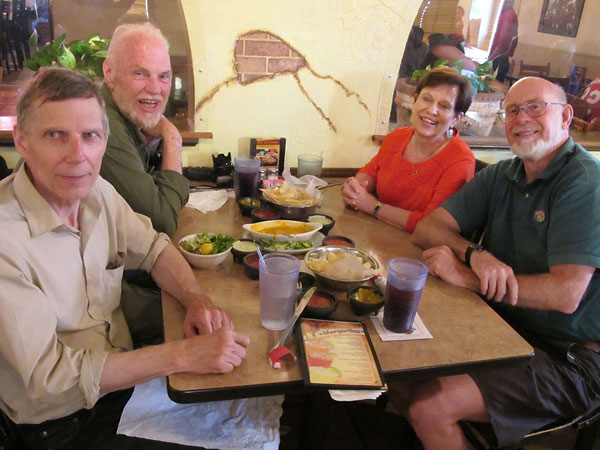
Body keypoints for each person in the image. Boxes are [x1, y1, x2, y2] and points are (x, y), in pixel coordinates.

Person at [0, 67, 249, 449]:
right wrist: (181, 355)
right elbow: (48, 382)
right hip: (60, 424)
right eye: (55, 135)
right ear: (22, 140)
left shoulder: (95, 190)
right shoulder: (5, 238)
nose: (77, 156)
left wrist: (195, 298)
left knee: (248, 405)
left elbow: (154, 248)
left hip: (121, 381)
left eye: (90, 136)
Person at [403, 77, 600, 449]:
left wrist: (468, 278)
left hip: (574, 357)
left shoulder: (584, 182)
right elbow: (430, 228)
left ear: (566, 116)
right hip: (504, 329)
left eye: (536, 107)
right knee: (400, 360)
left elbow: (565, 295)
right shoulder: (503, 174)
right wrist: (476, 254)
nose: (522, 118)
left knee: (430, 404)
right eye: (512, 110)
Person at [100, 23, 190, 346]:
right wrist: (173, 138)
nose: (155, 89)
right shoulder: (102, 127)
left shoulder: (126, 115)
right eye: (140, 74)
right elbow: (163, 218)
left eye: (163, 76)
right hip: (91, 290)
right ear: (108, 73)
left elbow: (162, 208)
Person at [342, 67, 475, 233]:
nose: (432, 110)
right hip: (377, 234)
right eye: (427, 99)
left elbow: (431, 224)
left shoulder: (460, 160)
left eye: (444, 106)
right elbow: (371, 172)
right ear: (414, 101)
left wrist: (372, 206)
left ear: (456, 119)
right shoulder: (396, 137)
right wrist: (355, 189)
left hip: (419, 250)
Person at [488, 0, 518, 83]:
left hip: (499, 59)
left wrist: (489, 61)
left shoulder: (509, 15)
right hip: (499, 58)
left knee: (493, 89)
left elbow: (503, 44)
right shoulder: (507, 14)